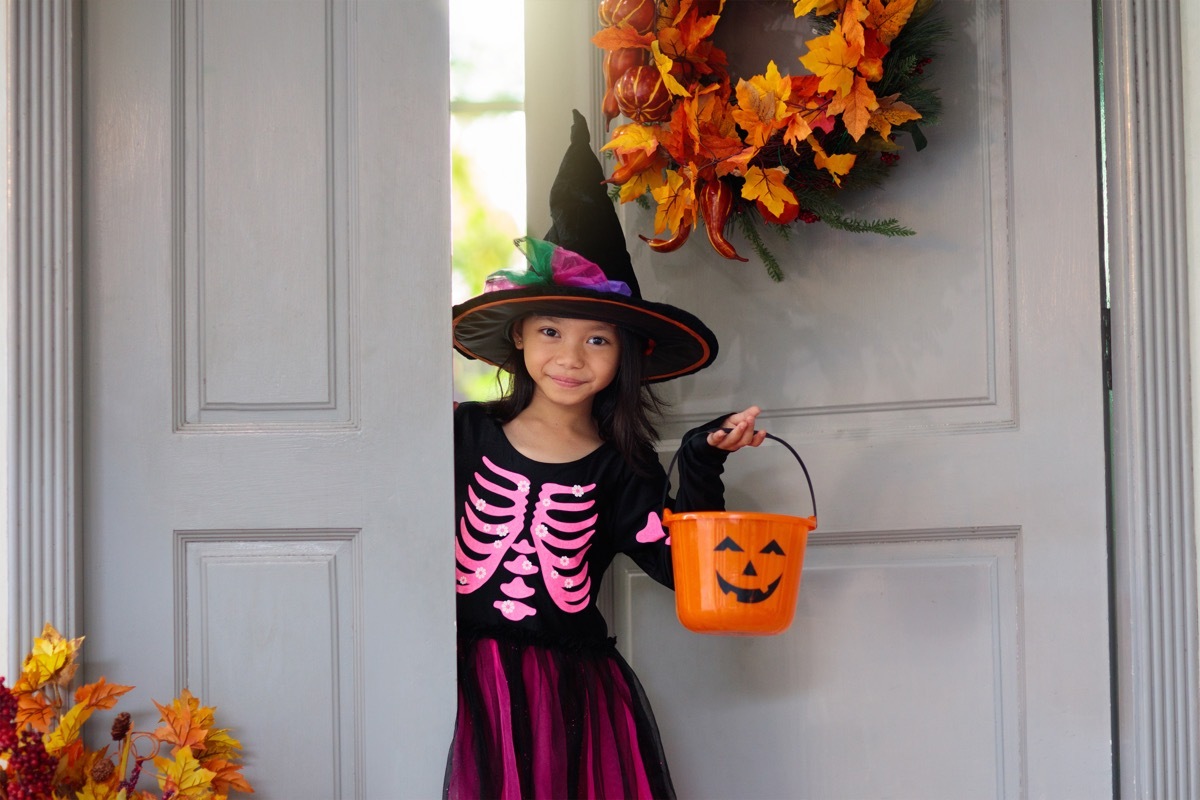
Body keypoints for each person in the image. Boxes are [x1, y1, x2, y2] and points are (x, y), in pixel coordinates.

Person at [446, 110, 764, 800]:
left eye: (597, 340)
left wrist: (701, 461)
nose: (569, 356)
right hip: (456, 686)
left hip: (571, 699)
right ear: (521, 338)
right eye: (552, 331)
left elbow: (687, 574)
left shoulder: (622, 469)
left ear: (626, 356)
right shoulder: (461, 436)